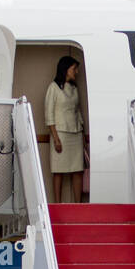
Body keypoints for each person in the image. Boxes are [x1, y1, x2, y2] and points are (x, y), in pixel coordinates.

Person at [45, 55, 86, 204]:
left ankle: (78, 204)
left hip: (75, 132)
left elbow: (78, 112)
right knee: (58, 170)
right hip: (60, 134)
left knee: (78, 170)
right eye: (74, 69)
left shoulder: (74, 88)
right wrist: (55, 138)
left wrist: (82, 135)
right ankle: (57, 204)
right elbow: (49, 114)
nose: (76, 72)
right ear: (65, 69)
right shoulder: (53, 87)